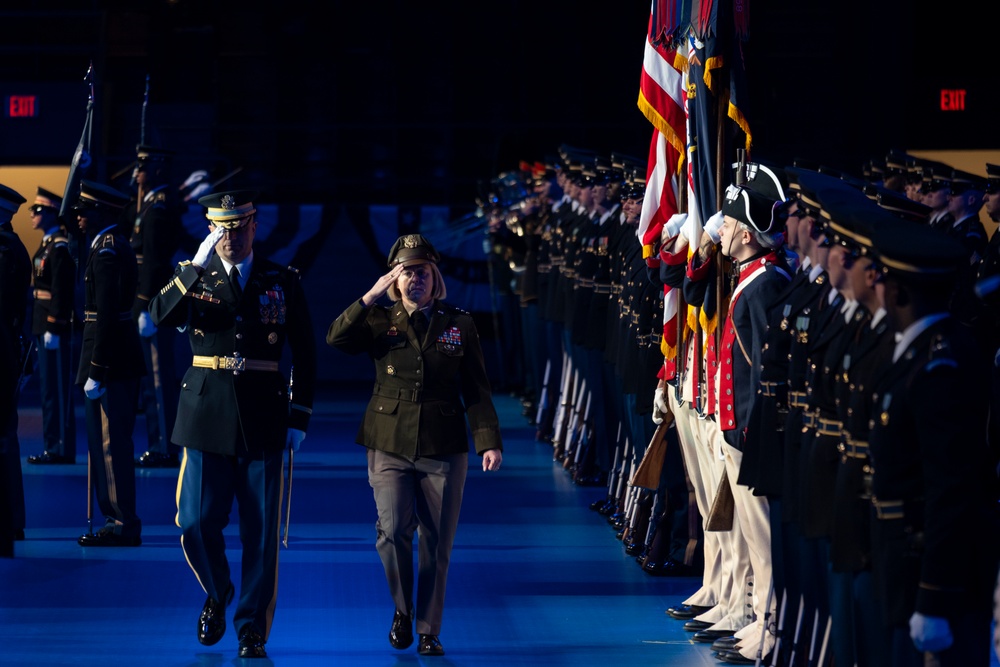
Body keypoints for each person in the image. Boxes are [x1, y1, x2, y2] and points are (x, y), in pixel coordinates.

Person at [148, 189, 316, 659]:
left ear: (254, 226)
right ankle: (218, 592)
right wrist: (193, 267)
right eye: (222, 227)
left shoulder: (280, 280)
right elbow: (160, 315)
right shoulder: (194, 276)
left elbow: (304, 352)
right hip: (203, 414)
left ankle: (251, 628)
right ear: (210, 228)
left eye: (239, 226)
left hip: (263, 415)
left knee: (260, 533)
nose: (231, 236)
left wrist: (298, 414)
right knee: (196, 523)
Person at [326, 233, 503, 657]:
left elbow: (477, 388)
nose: (414, 280)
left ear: (434, 275)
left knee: (436, 541)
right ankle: (402, 610)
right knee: (391, 532)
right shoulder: (378, 318)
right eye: (406, 272)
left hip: (443, 443)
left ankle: (428, 628)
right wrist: (369, 295)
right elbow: (336, 338)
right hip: (388, 440)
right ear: (394, 277)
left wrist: (487, 442)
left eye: (421, 272)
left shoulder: (458, 323)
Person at [867, 220, 1000, 666]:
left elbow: (952, 489)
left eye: (884, 278)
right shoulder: (917, 350)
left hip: (936, 571)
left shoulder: (940, 365)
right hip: (906, 561)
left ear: (900, 292)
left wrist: (935, 596)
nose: (877, 286)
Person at [73, 180, 145, 548]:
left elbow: (104, 316)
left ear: (101, 212)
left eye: (86, 211)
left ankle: (121, 522)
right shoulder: (108, 247)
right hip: (115, 360)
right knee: (109, 444)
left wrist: (96, 369)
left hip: (110, 363)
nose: (80, 218)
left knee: (109, 446)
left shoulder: (107, 252)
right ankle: (117, 518)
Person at [130, 144, 183, 468]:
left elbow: (154, 262)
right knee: (152, 380)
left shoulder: (159, 209)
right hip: (147, 302)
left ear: (158, 171)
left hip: (153, 305)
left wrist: (148, 306)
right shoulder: (148, 205)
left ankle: (165, 446)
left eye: (143, 167)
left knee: (159, 380)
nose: (137, 173)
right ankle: (158, 441)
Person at [26, 187, 78, 465]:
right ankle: (53, 445)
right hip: (42, 322)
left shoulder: (58, 246)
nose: (33, 215)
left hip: (52, 325)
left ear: (50, 214)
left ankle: (59, 448)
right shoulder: (48, 244)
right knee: (49, 389)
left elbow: (61, 290)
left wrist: (54, 326)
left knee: (57, 390)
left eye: (37, 210)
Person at [0, 183, 30, 548]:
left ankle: (7, 523)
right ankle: (10, 521)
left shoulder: (6, 251)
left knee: (3, 440)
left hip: (1, 349)